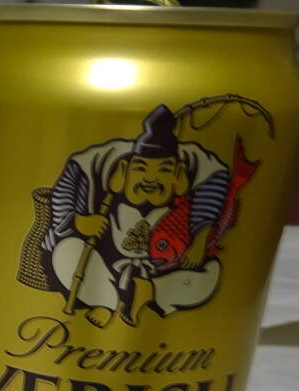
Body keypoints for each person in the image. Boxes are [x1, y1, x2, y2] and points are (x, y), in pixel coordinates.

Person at [43, 104, 229, 327]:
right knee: (65, 251)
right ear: (123, 171)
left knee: (211, 274)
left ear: (179, 176)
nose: (150, 178)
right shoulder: (105, 186)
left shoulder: (179, 210)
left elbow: (215, 182)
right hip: (107, 271)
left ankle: (149, 291)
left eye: (163, 170)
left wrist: (200, 238)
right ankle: (105, 302)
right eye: (141, 168)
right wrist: (77, 221)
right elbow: (66, 189)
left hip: (161, 273)